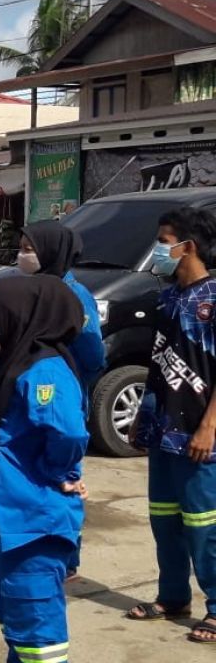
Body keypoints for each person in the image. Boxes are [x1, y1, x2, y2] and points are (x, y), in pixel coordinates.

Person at [0, 275, 88, 663]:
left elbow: (67, 431)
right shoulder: (17, 363)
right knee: (19, 627)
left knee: (39, 635)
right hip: (12, 519)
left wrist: (58, 473)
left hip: (32, 521)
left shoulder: (43, 370)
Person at [126, 208, 216, 644]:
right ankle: (173, 595)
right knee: (164, 521)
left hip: (201, 435)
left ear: (188, 246)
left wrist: (209, 427)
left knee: (203, 525)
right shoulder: (167, 298)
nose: (159, 248)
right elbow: (158, 365)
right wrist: (143, 420)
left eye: (165, 240)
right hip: (163, 431)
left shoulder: (213, 298)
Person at [17, 219, 106, 579]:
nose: (22, 255)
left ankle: (67, 558)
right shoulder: (30, 288)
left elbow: (93, 356)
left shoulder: (75, 295)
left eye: (29, 248)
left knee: (64, 477)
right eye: (22, 247)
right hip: (27, 399)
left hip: (59, 398)